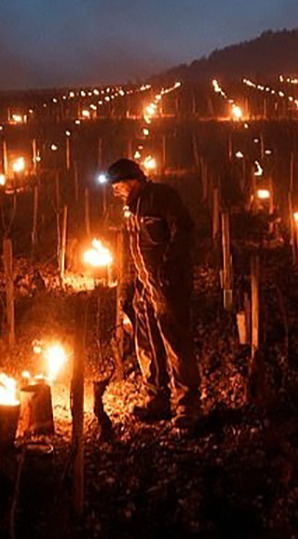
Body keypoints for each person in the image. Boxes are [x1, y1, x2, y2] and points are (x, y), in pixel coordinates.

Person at [105, 158, 202, 428]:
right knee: (147, 344)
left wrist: (169, 266)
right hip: (145, 287)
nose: (116, 191)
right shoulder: (131, 208)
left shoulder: (162, 197)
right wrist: (129, 285)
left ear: (133, 181)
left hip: (168, 285)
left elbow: (184, 229)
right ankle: (157, 398)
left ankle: (188, 406)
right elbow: (133, 249)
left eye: (118, 185)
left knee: (176, 343)